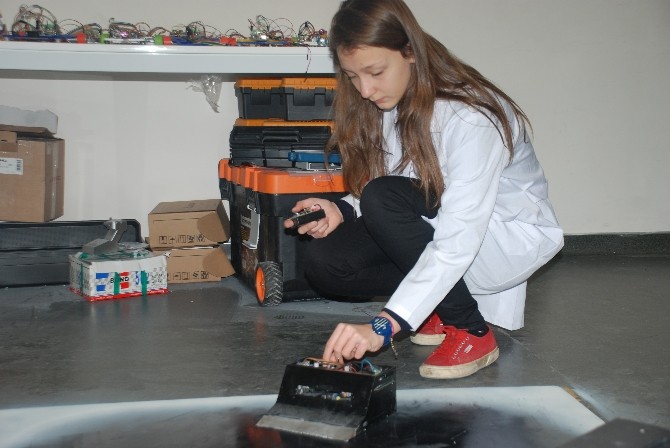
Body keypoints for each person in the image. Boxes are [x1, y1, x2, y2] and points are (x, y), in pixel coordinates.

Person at [283, 0, 563, 379]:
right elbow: (401, 180)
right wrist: (342, 209)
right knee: (326, 263)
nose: (365, 89)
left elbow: (457, 233)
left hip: (499, 238)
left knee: (383, 197)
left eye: (375, 72)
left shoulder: (472, 116)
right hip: (442, 220)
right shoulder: (391, 101)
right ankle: (435, 305)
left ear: (410, 52)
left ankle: (470, 329)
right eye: (352, 76)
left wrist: (386, 324)